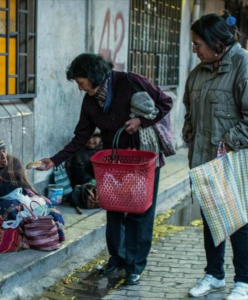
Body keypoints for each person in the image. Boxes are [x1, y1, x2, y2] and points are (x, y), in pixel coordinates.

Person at [38, 53, 173, 285]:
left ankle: (135, 266)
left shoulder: (130, 81)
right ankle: (117, 260)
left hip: (143, 160)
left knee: (140, 213)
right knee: (115, 211)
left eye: (81, 83)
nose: (80, 89)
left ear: (93, 76)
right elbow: (81, 136)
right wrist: (55, 159)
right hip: (115, 162)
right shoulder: (91, 100)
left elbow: (165, 103)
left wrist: (141, 121)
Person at [182, 11, 248, 300]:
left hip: (235, 159)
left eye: (198, 44)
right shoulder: (199, 72)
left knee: (236, 222)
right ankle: (214, 275)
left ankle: (245, 282)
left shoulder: (247, 66)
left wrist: (228, 141)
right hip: (205, 160)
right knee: (211, 218)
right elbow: (190, 113)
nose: (194, 50)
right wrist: (190, 135)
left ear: (216, 42)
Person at [68, 129, 102, 210]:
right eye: (88, 137)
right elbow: (79, 171)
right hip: (84, 183)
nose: (90, 140)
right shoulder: (79, 152)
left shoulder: (104, 150)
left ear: (100, 138)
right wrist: (91, 181)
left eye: (94, 137)